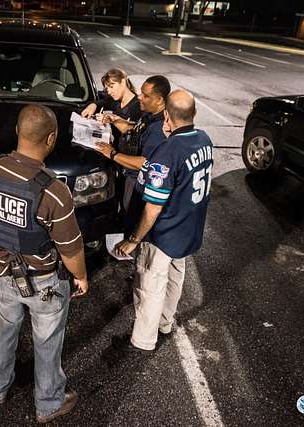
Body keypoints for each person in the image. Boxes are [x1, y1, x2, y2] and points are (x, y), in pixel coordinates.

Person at [0, 104, 89, 423]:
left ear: (18, 131)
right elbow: (71, 248)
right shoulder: (54, 191)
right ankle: (47, 404)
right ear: (51, 138)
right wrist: (81, 277)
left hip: (1, 271)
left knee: (4, 328)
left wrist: (1, 239)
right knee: (46, 340)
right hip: (44, 281)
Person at [112, 89, 214, 353]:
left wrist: (134, 240)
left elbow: (153, 207)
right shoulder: (204, 139)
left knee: (150, 285)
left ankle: (143, 340)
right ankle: (166, 323)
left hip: (164, 233)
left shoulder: (169, 151)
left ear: (167, 115)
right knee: (175, 278)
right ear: (194, 113)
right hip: (188, 228)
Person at [93, 75, 171, 229]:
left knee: (131, 220)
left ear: (159, 100)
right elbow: (134, 131)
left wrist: (112, 154)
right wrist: (115, 120)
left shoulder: (158, 129)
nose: (139, 97)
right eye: (141, 92)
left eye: (145, 96)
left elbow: (144, 163)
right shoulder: (149, 114)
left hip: (137, 183)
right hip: (128, 175)